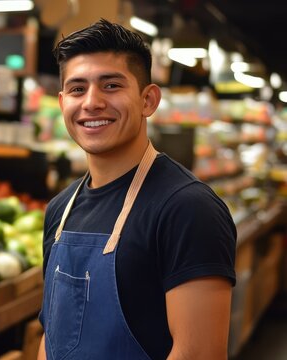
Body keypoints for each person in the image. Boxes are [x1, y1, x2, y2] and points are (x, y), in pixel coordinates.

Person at [37, 19, 236, 360]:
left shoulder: (188, 209)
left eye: (111, 85)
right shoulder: (60, 209)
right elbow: (52, 336)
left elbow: (198, 354)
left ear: (148, 100)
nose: (92, 102)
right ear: (62, 103)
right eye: (77, 88)